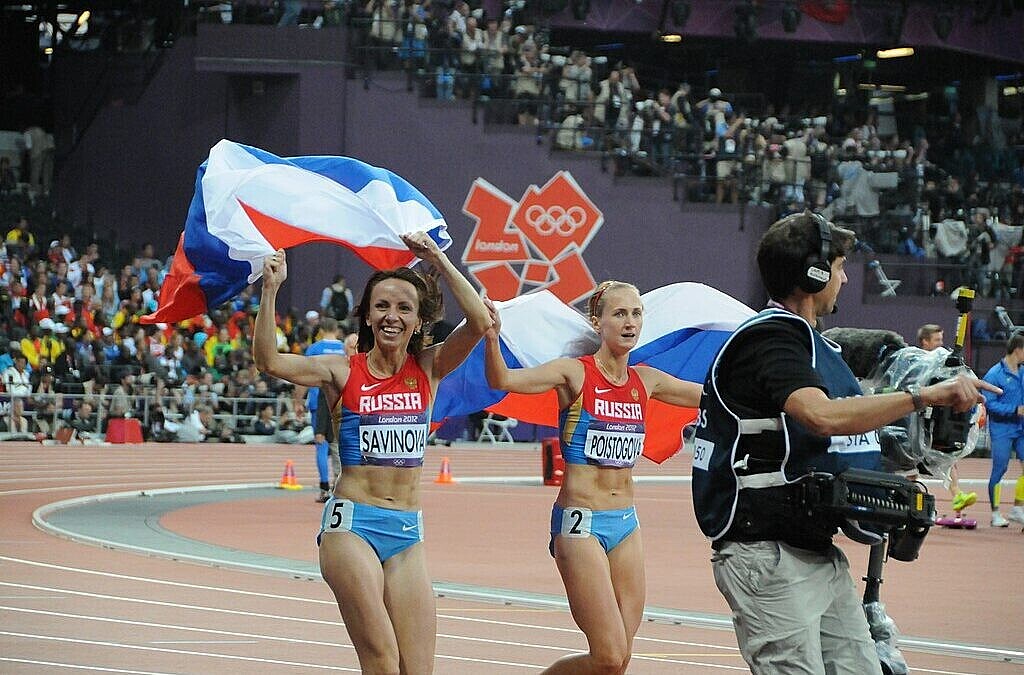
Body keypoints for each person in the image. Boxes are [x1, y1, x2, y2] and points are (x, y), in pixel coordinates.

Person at [690, 211, 997, 674]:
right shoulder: (771, 339)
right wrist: (924, 396)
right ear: (813, 274)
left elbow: (849, 431)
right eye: (838, 267)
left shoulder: (813, 346)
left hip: (815, 549)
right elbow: (821, 417)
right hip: (767, 555)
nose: (845, 278)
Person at [253, 231, 490, 674]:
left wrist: (438, 257)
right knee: (381, 658)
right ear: (367, 316)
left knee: (417, 669)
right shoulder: (341, 371)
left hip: (407, 532)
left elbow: (479, 322)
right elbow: (269, 361)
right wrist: (271, 289)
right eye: (381, 306)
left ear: (419, 320)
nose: (391, 316)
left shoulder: (430, 367)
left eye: (404, 308)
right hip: (352, 527)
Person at [483, 281, 703, 674]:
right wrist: (492, 338)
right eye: (619, 314)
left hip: (626, 525)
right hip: (580, 523)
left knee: (620, 660)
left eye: (636, 313)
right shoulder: (574, 373)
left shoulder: (646, 381)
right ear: (597, 322)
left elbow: (714, 396)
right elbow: (503, 381)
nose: (630, 322)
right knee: (608, 655)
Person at [915, 322, 976, 516]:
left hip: (935, 420)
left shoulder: (943, 363)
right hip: (916, 421)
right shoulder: (916, 362)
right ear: (925, 342)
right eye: (937, 340)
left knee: (948, 456)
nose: (941, 344)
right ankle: (912, 501)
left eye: (941, 339)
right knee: (911, 464)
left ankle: (957, 495)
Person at [293, 316, 348, 502]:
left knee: (321, 444)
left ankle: (324, 487)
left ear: (321, 331)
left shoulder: (315, 349)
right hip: (343, 402)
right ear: (337, 330)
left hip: (319, 402)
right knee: (342, 445)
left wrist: (298, 401)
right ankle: (341, 485)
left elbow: (302, 375)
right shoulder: (345, 349)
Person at [980, 333, 1024, 527]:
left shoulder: (1023, 372)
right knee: (1000, 468)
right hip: (1002, 429)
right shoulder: (994, 374)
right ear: (1018, 350)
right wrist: (1015, 410)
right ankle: (995, 513)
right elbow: (989, 404)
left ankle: (1017, 508)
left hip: (1021, 428)